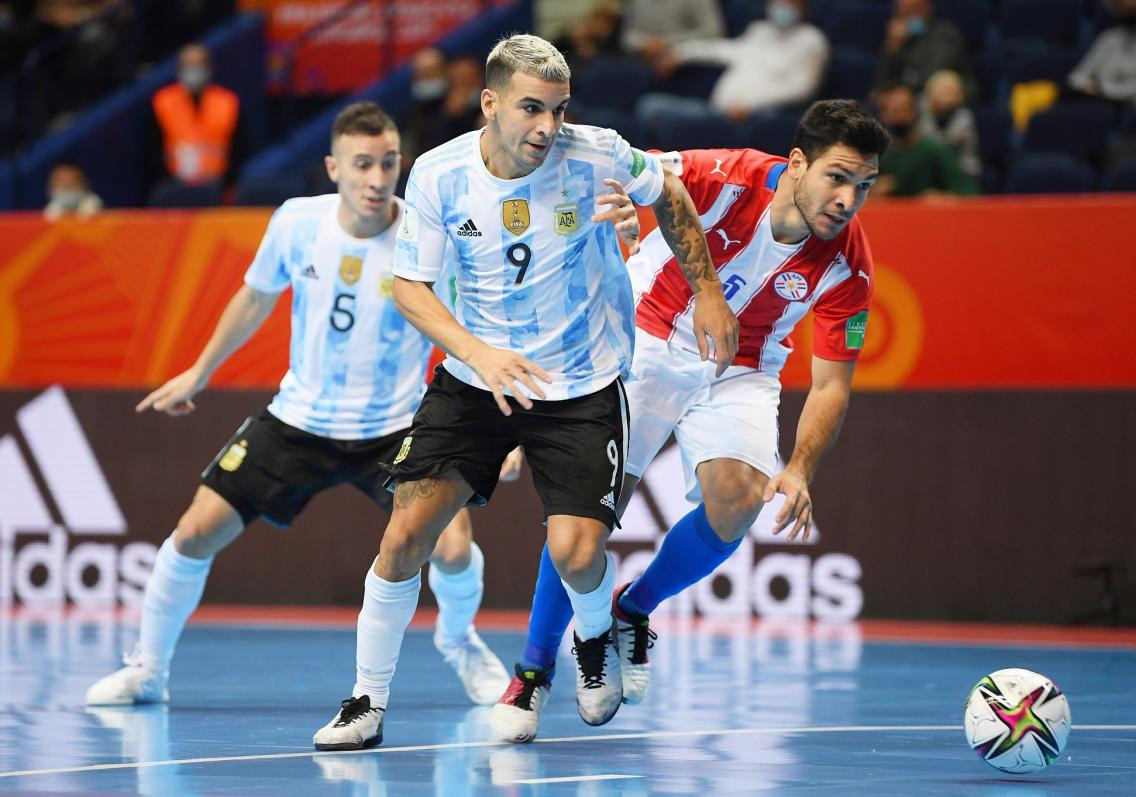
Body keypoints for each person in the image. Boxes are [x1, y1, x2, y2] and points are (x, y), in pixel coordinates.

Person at [311, 33, 738, 752]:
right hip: (477, 378)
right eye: (532, 109)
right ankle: (366, 701)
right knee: (405, 535)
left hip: (581, 379)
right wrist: (478, 353)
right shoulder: (440, 175)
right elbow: (410, 288)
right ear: (490, 104)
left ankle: (595, 639)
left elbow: (667, 190)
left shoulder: (596, 151)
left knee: (576, 553)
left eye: (559, 110)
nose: (548, 127)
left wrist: (707, 292)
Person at [84, 102, 513, 710]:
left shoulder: (425, 233)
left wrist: (499, 427)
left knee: (452, 547)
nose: (376, 178)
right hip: (298, 420)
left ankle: (460, 642)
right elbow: (254, 299)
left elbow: (468, 329)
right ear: (333, 167)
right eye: (362, 164)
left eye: (388, 163)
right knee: (193, 534)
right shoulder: (296, 221)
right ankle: (147, 669)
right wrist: (199, 372)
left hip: (397, 429)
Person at [490, 99, 891, 743]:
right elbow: (632, 169)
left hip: (743, 367)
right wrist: (618, 204)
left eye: (863, 187)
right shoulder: (724, 174)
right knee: (585, 514)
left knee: (736, 505)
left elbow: (832, 383)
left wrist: (800, 468)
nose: (848, 199)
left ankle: (632, 610)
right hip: (644, 339)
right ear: (796, 164)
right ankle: (533, 674)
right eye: (837, 177)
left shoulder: (849, 264)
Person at [637, 0, 829, 125]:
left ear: (802, 7)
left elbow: (801, 88)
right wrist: (680, 53)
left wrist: (750, 106)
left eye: (789, 3)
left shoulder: (812, 40)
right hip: (714, 111)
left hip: (753, 120)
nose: (781, 6)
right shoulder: (760, 30)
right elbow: (722, 50)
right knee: (651, 105)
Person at [146, 43, 244, 194]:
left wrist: (227, 183)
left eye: (199, 64)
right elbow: (151, 150)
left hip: (218, 188)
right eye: (189, 65)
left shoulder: (228, 102)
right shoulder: (162, 101)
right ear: (179, 68)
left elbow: (240, 149)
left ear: (209, 67)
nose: (194, 70)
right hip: (174, 188)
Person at [871, 83, 976, 197]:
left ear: (915, 111)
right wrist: (871, 192)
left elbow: (969, 193)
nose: (899, 117)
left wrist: (943, 197)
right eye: (893, 111)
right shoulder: (875, 154)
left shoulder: (934, 150)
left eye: (904, 109)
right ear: (882, 115)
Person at [1066, 0, 1136, 103]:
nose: (1130, 12)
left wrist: (1102, 90)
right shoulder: (1108, 38)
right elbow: (1077, 76)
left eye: (1135, 9)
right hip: (1101, 102)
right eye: (1126, 8)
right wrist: (1085, 85)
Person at [874, 0, 977, 102]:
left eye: (913, 9)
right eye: (903, 11)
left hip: (944, 100)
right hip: (906, 101)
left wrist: (904, 91)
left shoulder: (945, 33)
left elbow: (933, 73)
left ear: (928, 9)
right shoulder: (896, 40)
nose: (907, 16)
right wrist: (893, 49)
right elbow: (881, 83)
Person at [919, 69, 980, 180]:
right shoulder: (922, 118)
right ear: (931, 94)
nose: (949, 98)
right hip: (928, 173)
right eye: (943, 93)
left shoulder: (965, 117)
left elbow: (969, 158)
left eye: (953, 93)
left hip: (959, 171)